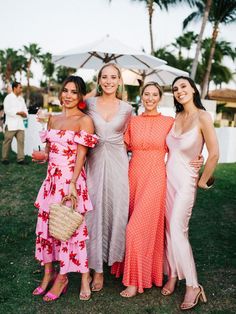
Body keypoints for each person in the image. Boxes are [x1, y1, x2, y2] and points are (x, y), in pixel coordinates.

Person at [32, 76, 98, 302]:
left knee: (68, 230)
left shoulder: (84, 121)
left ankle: (63, 277)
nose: (68, 95)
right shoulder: (53, 119)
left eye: (74, 92)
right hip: (51, 180)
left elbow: (82, 154)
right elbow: (50, 151)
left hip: (70, 180)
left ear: (80, 97)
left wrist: (72, 182)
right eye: (65, 91)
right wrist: (42, 156)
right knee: (47, 228)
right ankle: (47, 273)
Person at [162, 76, 219, 311]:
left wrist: (203, 181)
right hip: (167, 181)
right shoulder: (176, 118)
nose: (179, 91)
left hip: (186, 183)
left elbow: (214, 152)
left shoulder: (203, 117)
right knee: (168, 229)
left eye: (183, 86)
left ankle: (193, 285)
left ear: (193, 89)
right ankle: (174, 274)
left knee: (178, 228)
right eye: (175, 89)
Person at [118, 82, 174, 297]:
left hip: (156, 178)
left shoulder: (169, 122)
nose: (150, 98)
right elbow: (121, 148)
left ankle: (134, 281)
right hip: (133, 177)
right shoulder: (132, 122)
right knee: (134, 225)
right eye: (146, 94)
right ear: (141, 96)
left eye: (154, 94)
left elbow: (181, 146)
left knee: (136, 228)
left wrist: (196, 158)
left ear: (160, 97)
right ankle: (140, 272)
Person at [85, 63, 133, 291]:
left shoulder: (127, 108)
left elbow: (135, 137)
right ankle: (97, 270)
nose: (108, 81)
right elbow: (73, 121)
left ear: (119, 80)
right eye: (104, 77)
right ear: (99, 79)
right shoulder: (89, 104)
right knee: (93, 212)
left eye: (113, 77)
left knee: (116, 209)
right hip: (93, 162)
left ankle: (114, 261)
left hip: (118, 164)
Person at [2, 81, 28, 165]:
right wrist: (18, 112)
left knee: (21, 141)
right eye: (20, 87)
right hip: (11, 124)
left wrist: (25, 114)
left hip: (20, 124)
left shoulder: (21, 99)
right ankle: (5, 158)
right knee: (7, 142)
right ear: (14, 88)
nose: (21, 89)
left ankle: (20, 159)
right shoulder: (8, 98)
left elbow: (25, 110)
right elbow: (7, 110)